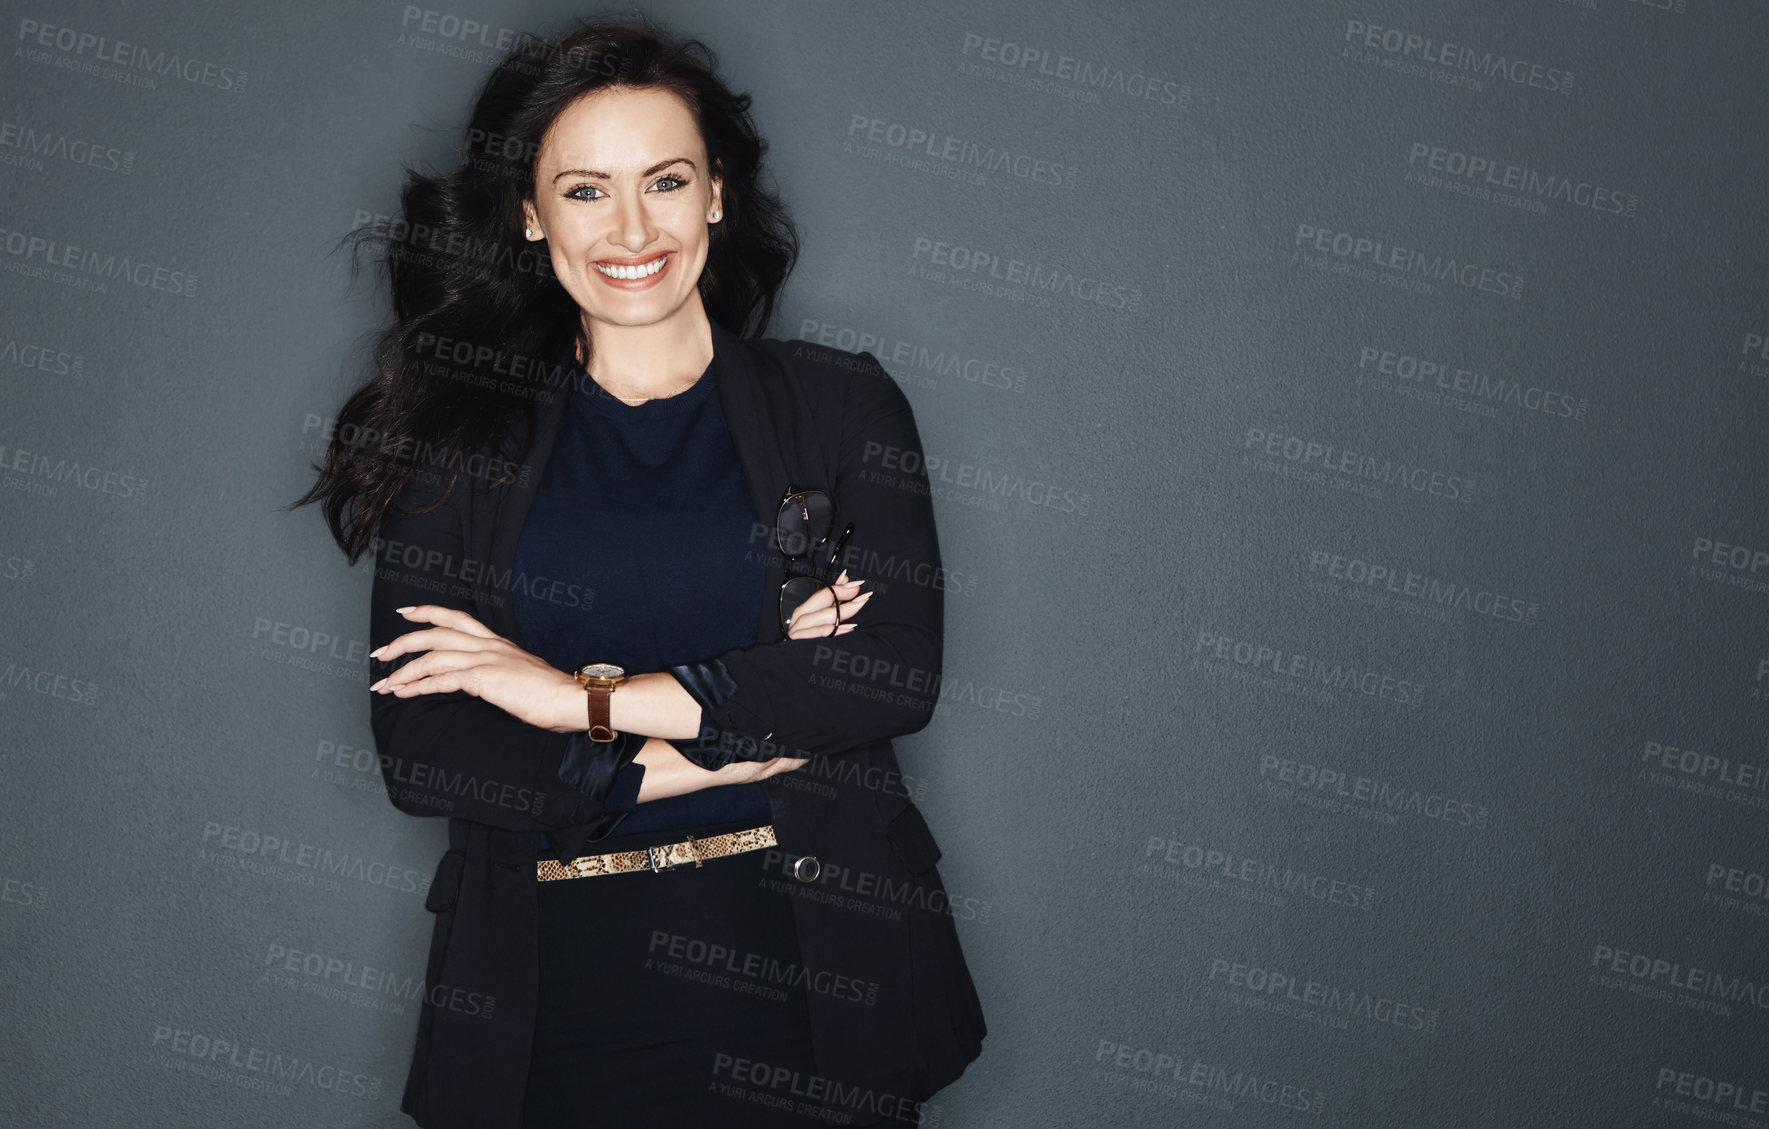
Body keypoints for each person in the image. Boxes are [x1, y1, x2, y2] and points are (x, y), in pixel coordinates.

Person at [292, 13, 984, 1129]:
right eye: (583, 190)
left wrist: (574, 700)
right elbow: (429, 752)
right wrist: (725, 735)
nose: (630, 228)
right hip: (558, 1011)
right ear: (528, 212)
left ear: (716, 193)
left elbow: (888, 677)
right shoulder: (456, 441)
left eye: (664, 181)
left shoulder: (839, 404)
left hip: (815, 998)